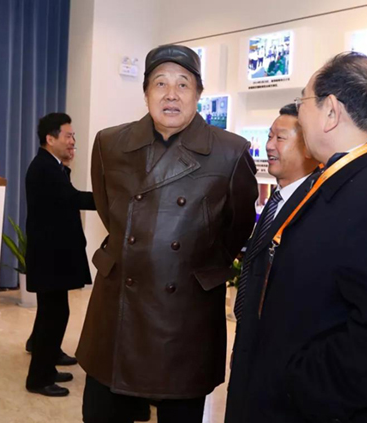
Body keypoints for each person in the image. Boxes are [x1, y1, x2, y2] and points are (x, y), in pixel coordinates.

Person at [225, 52, 367, 423]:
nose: (299, 113)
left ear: (331, 111)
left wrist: (300, 383)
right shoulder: (348, 178)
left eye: (303, 102)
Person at [76, 44, 258, 423]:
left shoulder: (230, 152)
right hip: (118, 310)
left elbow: (237, 229)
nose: (171, 94)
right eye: (160, 83)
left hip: (185, 316)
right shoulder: (110, 143)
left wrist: (190, 262)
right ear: (146, 92)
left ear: (198, 93)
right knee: (103, 412)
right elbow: (110, 212)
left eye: (183, 84)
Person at [24, 112, 96, 397]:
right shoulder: (44, 168)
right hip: (49, 257)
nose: (72, 141)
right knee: (53, 315)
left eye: (73, 136)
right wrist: (109, 199)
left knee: (53, 312)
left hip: (52, 255)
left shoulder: (52, 166)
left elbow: (66, 197)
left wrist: (65, 167)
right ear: (50, 139)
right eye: (68, 136)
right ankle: (38, 379)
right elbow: (72, 198)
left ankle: (49, 362)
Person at [232, 103, 319, 323]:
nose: (269, 146)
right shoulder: (276, 198)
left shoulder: (317, 206)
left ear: (308, 146)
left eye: (280, 138)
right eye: (269, 136)